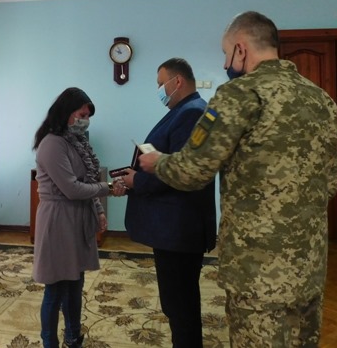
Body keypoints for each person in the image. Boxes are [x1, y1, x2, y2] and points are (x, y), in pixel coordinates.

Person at [139, 11, 337, 347]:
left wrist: (158, 162)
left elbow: (193, 170)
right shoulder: (321, 99)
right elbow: (332, 179)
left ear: (241, 48)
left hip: (257, 269)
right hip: (308, 264)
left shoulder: (238, 95)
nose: (224, 64)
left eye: (225, 53)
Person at [117, 57, 216, 348]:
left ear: (178, 81)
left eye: (161, 84)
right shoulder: (185, 110)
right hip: (176, 229)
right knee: (177, 303)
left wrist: (138, 180)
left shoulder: (191, 113)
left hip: (179, 229)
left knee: (180, 306)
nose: (159, 90)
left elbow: (180, 172)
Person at [32, 87, 117, 348]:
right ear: (66, 112)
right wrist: (108, 188)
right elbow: (71, 188)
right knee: (56, 287)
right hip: (58, 220)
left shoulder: (76, 141)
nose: (85, 121)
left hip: (77, 217)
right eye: (82, 115)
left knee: (75, 282)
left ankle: (73, 335)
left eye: (88, 116)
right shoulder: (52, 144)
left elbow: (87, 180)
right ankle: (50, 342)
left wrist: (99, 210)